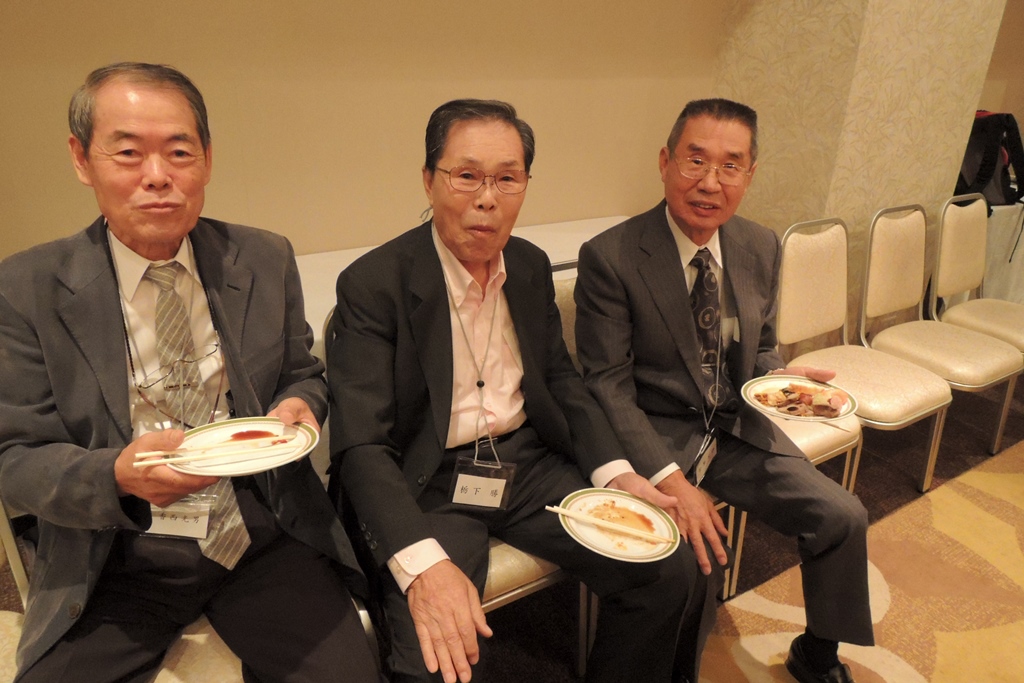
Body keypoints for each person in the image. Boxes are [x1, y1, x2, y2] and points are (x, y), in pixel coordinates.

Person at [0, 62, 379, 683]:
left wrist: (301, 406)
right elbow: (14, 461)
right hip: (117, 552)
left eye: (179, 152)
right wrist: (116, 476)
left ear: (206, 159)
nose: (158, 176)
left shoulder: (262, 257)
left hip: (256, 529)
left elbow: (301, 373)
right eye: (128, 153)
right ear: (81, 159)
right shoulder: (25, 288)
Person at [327, 99, 717, 683]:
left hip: (527, 464)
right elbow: (361, 446)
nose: (488, 198)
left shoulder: (530, 267)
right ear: (429, 180)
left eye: (507, 178)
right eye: (467, 175)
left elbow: (562, 381)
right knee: (437, 661)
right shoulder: (373, 284)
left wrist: (618, 475)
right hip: (426, 482)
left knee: (669, 568)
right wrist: (424, 567)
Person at [573, 98, 873, 683]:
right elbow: (606, 385)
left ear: (749, 174)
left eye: (730, 165)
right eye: (696, 161)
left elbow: (759, 350)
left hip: (736, 429)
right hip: (658, 440)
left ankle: (816, 654)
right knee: (696, 559)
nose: (711, 183)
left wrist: (784, 383)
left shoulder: (760, 245)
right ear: (665, 162)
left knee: (843, 516)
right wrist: (673, 482)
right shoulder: (612, 257)